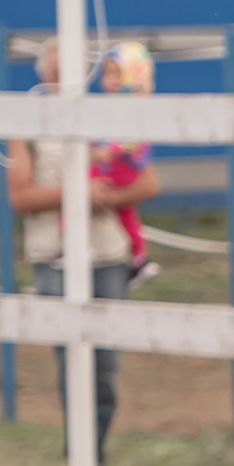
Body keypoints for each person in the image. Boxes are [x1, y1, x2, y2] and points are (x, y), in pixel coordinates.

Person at [8, 40, 158, 466]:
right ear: (44, 70)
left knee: (105, 365)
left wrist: (106, 197)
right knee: (70, 359)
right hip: (52, 256)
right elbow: (21, 195)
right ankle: (82, 459)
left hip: (107, 253)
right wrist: (74, 195)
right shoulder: (27, 123)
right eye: (58, 62)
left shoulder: (108, 116)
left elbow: (147, 180)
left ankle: (94, 456)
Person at [96, 43, 160, 290]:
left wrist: (104, 153)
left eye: (117, 74)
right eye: (107, 73)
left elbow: (127, 142)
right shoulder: (113, 108)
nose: (111, 80)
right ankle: (138, 257)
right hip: (118, 167)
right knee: (127, 215)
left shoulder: (132, 110)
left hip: (121, 169)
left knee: (122, 211)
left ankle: (138, 256)